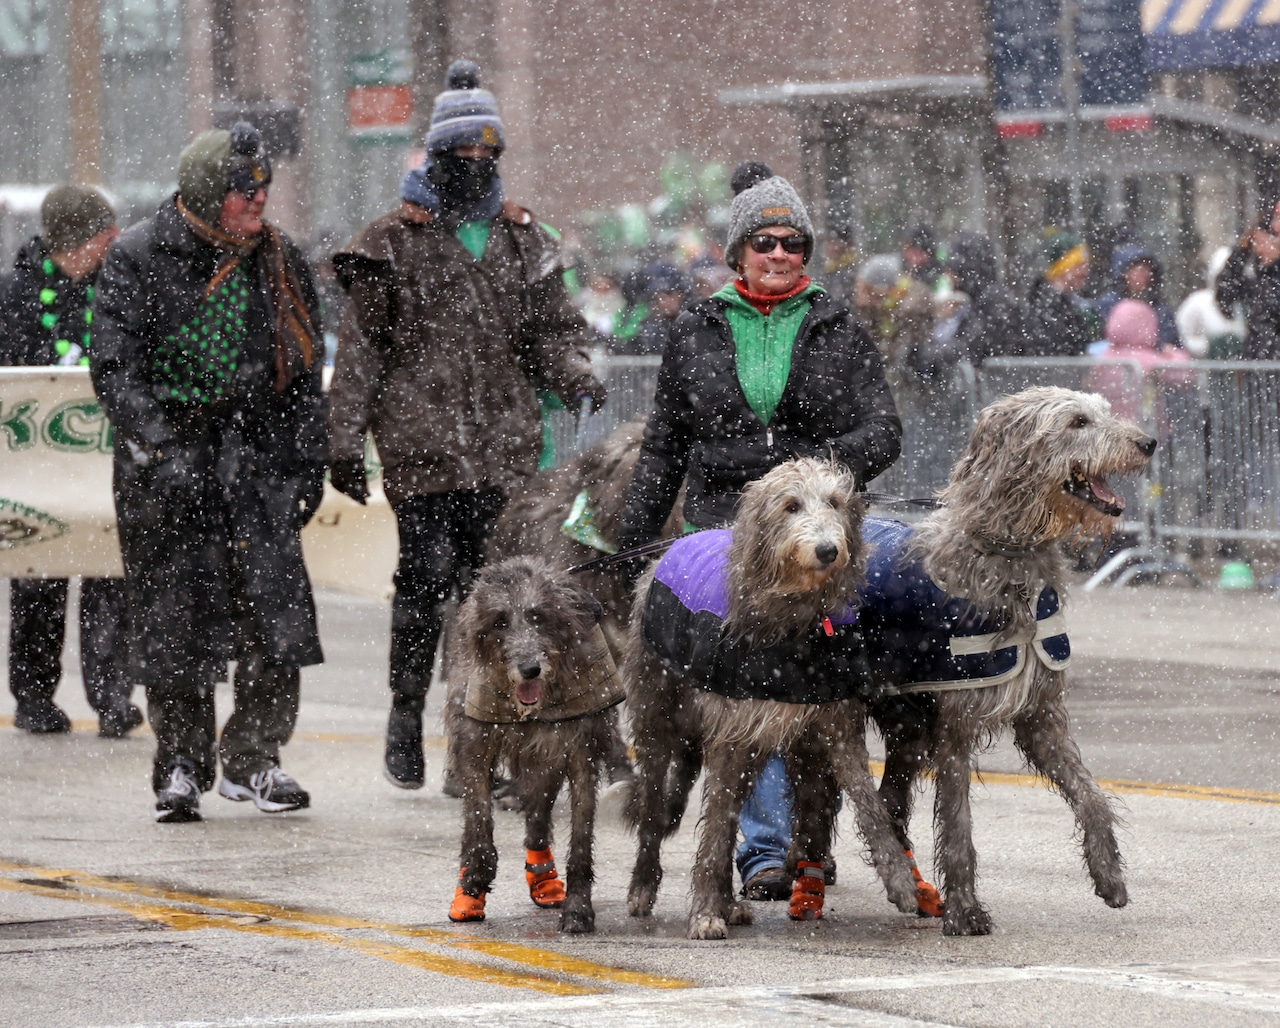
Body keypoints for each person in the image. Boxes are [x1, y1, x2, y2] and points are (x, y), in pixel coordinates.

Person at [616, 160, 901, 898]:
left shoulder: (839, 328)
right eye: (765, 242)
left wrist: (812, 476)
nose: (779, 255)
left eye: (793, 243)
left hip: (823, 526)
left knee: (833, 689)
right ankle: (766, 848)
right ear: (737, 251)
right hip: (724, 533)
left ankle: (814, 836)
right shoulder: (695, 331)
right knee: (753, 689)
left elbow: (884, 430)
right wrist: (632, 542)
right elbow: (664, 448)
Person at [326, 60, 606, 791]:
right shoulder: (392, 242)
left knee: (504, 603)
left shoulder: (523, 240)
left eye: (487, 152)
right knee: (423, 587)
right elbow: (360, 353)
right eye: (462, 152)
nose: (476, 163)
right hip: (422, 451)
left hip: (506, 452)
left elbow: (550, 331)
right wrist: (342, 440)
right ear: (436, 154)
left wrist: (575, 372)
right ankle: (404, 711)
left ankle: (485, 743)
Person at [89, 122, 326, 822]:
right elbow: (115, 367)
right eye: (243, 190)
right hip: (167, 470)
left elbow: (304, 373)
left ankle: (255, 758)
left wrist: (307, 460)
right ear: (203, 193)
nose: (259, 200)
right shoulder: (137, 256)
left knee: (272, 618)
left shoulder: (280, 260)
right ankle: (181, 763)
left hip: (257, 465)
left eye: (264, 187)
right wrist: (164, 449)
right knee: (174, 623)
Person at [0, 185, 141, 737]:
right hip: (38, 470)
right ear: (74, 240)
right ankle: (34, 695)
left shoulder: (123, 287)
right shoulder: (14, 295)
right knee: (39, 576)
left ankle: (112, 696)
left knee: (110, 574)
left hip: (108, 464)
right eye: (104, 233)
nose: (114, 240)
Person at [942, 232, 1029, 365]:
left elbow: (973, 349)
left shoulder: (994, 301)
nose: (948, 275)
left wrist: (933, 352)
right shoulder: (984, 298)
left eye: (951, 268)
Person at [1215, 196, 1280, 360]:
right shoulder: (1263, 281)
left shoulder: (1271, 281)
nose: (1256, 250)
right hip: (1259, 361)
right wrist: (1241, 251)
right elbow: (1225, 292)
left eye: (1260, 242)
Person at [1024, 228, 1097, 357]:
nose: (1085, 272)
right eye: (1079, 265)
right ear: (1063, 267)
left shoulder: (1068, 302)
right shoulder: (1045, 305)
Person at [1096, 241, 1180, 350]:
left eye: (1145, 269)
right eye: (1135, 270)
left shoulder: (1161, 307)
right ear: (1122, 273)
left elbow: (1171, 341)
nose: (1142, 275)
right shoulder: (1108, 304)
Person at [1178, 247, 1244, 358]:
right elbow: (1181, 335)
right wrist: (1207, 346)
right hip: (1203, 365)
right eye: (1223, 277)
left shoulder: (1240, 306)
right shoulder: (1198, 302)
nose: (1228, 282)